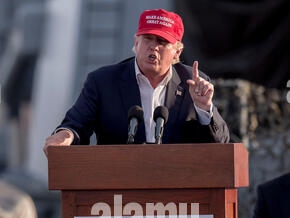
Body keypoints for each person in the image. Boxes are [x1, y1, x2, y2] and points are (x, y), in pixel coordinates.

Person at [43, 8, 230, 154]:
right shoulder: (102, 81)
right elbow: (76, 124)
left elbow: (221, 144)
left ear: (177, 52)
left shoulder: (194, 83)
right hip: (116, 191)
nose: (154, 47)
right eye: (148, 38)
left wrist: (204, 109)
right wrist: (65, 135)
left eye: (162, 41)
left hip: (179, 192)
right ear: (136, 42)